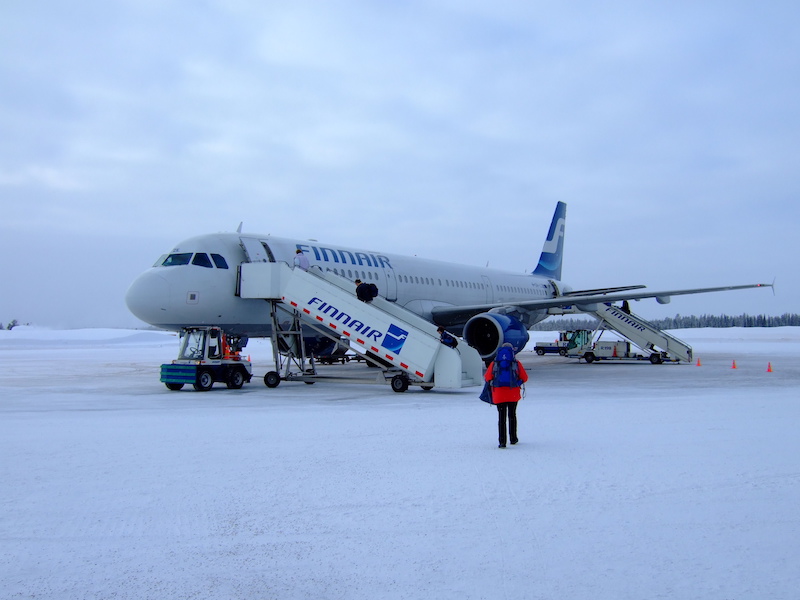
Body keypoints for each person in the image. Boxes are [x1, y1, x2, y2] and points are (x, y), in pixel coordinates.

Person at [484, 343, 528, 448]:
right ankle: (513, 438)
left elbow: (487, 377)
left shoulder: (495, 363)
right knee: (512, 415)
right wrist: (516, 383)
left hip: (499, 395)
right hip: (513, 394)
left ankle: (502, 442)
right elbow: (525, 377)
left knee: (501, 418)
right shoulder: (516, 363)